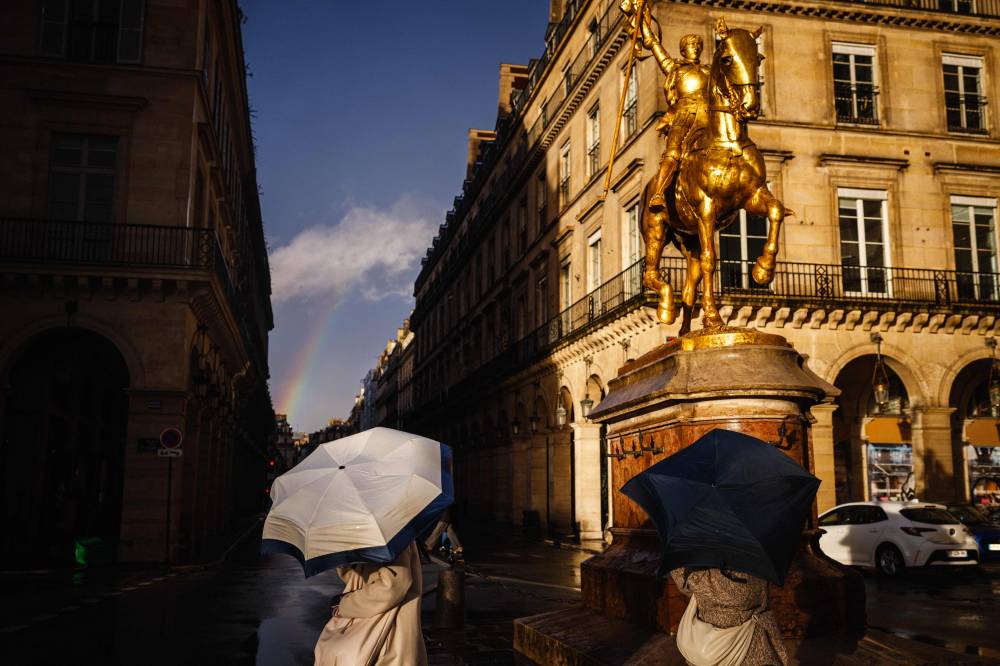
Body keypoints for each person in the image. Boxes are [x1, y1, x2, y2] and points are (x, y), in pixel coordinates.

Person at [314, 541, 427, 665]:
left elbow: (392, 586)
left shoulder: (389, 535)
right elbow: (361, 579)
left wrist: (345, 604)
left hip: (391, 630)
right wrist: (344, 558)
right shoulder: (373, 534)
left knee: (334, 651)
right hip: (380, 619)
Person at [671, 567, 788, 666]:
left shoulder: (700, 562)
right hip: (713, 640)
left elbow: (743, 594)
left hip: (747, 643)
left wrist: (696, 579)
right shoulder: (753, 558)